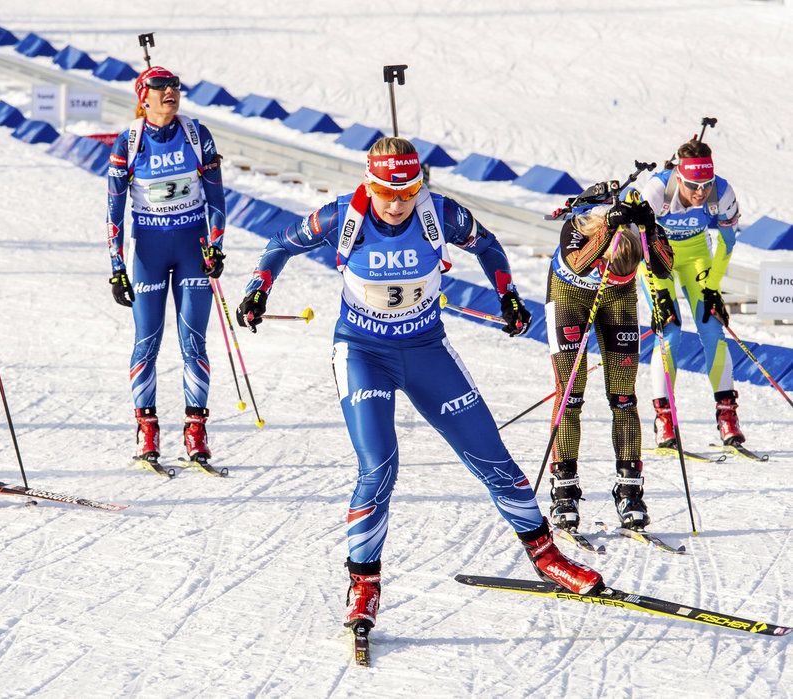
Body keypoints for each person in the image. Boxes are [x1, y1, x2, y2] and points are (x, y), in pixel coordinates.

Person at [235, 136, 603, 633]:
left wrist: (508, 296)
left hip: (427, 349)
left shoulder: (442, 215)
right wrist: (259, 288)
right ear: (370, 184)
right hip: (363, 354)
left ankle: (544, 556)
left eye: (407, 193)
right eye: (387, 193)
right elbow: (280, 243)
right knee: (379, 465)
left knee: (492, 455)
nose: (397, 204)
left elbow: (488, 245)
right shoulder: (340, 217)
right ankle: (363, 584)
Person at [105, 65, 226, 469]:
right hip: (149, 254)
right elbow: (113, 210)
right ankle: (147, 428)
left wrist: (216, 246)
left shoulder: (197, 135)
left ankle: (195, 431)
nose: (170, 92)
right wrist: (116, 266)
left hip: (192, 248)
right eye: (160, 87)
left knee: (194, 341)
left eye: (174, 85)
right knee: (147, 341)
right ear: (144, 97)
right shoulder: (130, 141)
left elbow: (216, 199)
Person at [545, 195, 673, 532]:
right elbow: (577, 263)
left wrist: (650, 229)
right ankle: (564, 489)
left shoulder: (632, 236)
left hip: (617, 299)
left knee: (623, 396)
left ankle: (629, 490)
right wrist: (605, 236)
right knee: (570, 393)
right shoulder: (579, 225)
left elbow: (664, 267)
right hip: (568, 294)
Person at [634, 139, 745, 446]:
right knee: (669, 331)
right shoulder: (657, 191)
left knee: (712, 329)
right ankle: (664, 419)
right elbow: (635, 240)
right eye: (694, 185)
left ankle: (727, 415)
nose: (701, 192)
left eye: (706, 184)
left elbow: (728, 243)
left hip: (697, 253)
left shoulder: (722, 192)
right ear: (679, 177)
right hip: (658, 257)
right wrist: (656, 290)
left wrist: (712, 288)